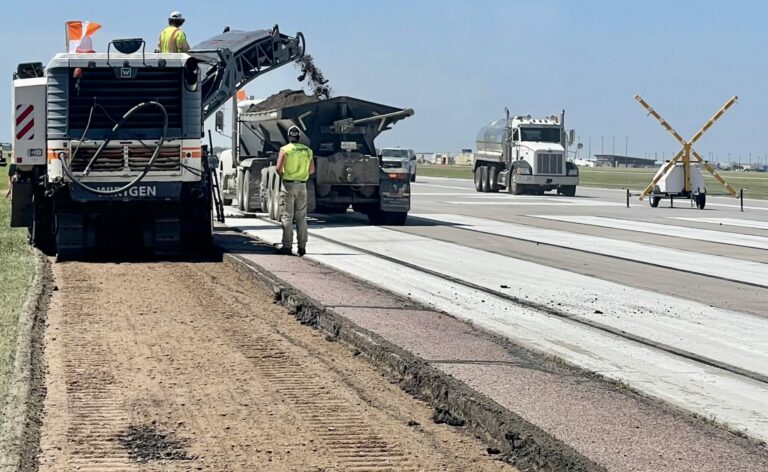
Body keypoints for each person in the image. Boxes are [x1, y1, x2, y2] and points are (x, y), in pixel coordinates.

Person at [275, 126, 314, 256]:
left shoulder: (285, 150)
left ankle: (287, 246)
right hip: (302, 186)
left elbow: (278, 168)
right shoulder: (308, 150)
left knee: (287, 215)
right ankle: (302, 247)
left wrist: (285, 174)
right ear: (299, 137)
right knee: (301, 217)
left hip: (288, 185)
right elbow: (311, 170)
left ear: (289, 136)